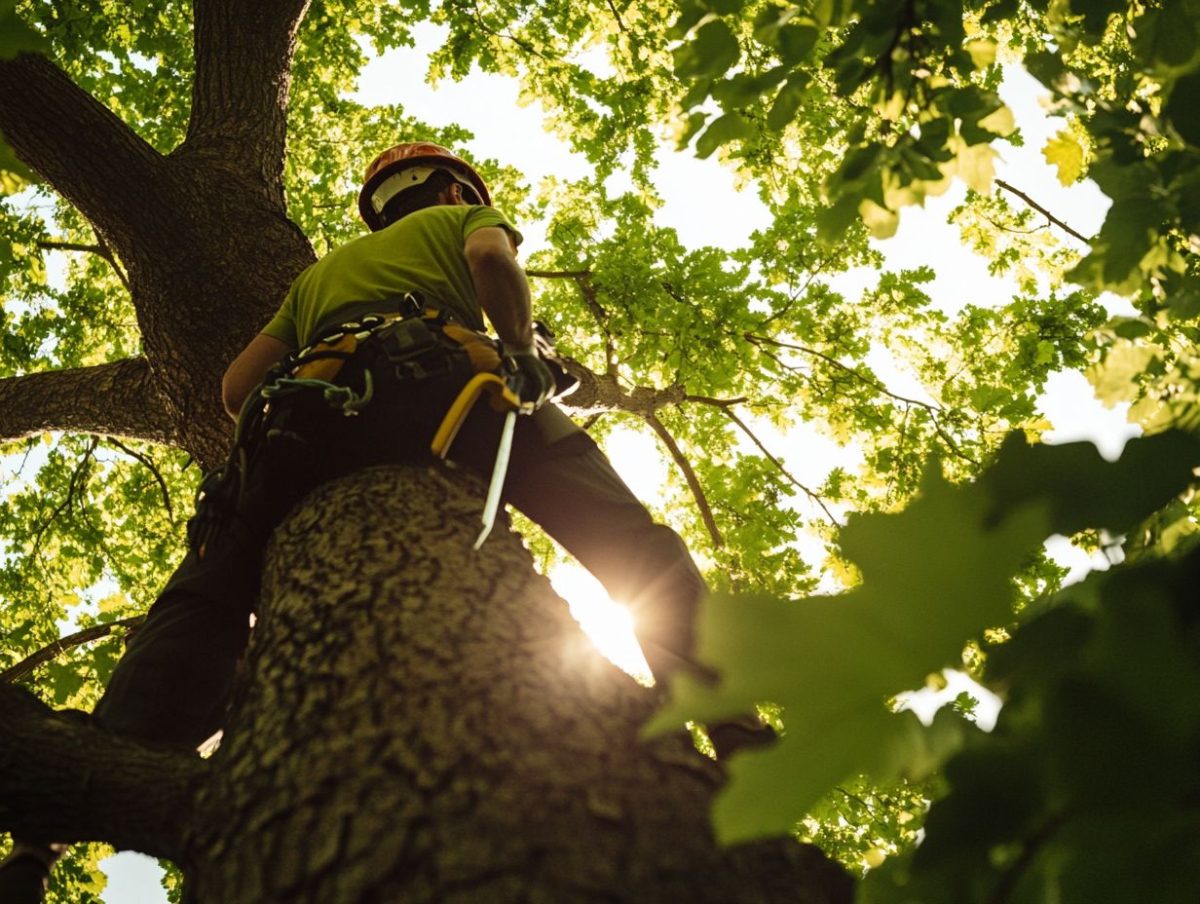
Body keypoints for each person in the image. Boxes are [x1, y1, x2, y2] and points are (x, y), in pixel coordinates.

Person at [0, 142, 707, 901]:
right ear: (446, 189)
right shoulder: (463, 216)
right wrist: (518, 349)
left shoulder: (313, 280)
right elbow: (493, 264)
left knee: (203, 600)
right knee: (639, 551)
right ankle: (727, 722)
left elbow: (237, 388)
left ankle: (47, 835)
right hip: (446, 390)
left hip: (302, 430)